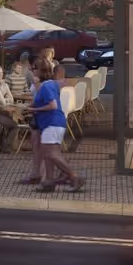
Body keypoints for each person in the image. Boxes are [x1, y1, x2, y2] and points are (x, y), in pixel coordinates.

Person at [26, 58, 81, 193]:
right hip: (54, 123)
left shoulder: (46, 86)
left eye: (33, 69)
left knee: (51, 153)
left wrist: (33, 110)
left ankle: (74, 176)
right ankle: (49, 182)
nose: (32, 71)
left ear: (39, 71)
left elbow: (53, 105)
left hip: (52, 123)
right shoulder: (51, 84)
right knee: (48, 154)